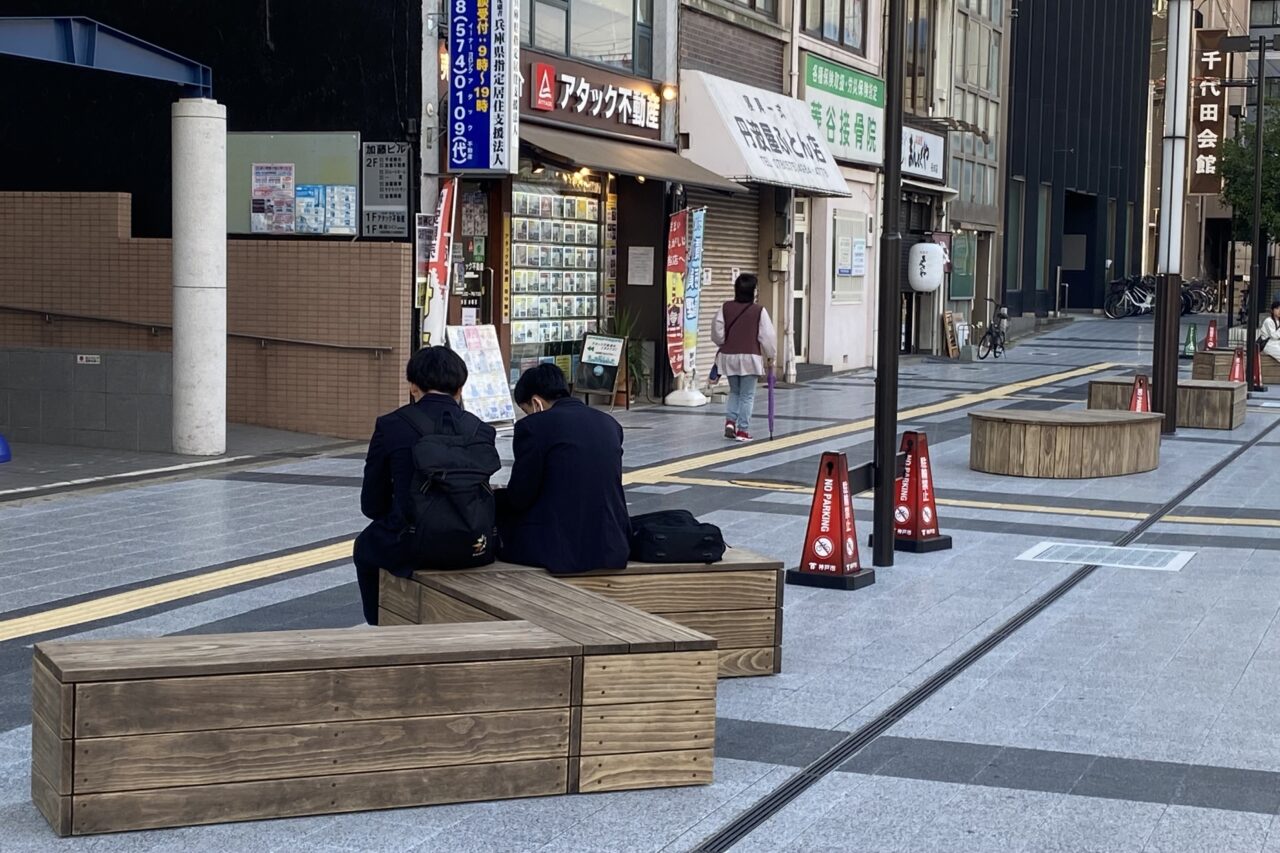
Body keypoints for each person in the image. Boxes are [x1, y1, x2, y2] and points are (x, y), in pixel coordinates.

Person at [353, 347, 498, 625]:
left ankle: (378, 621)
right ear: (460, 387)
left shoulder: (391, 425)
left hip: (411, 546)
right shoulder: (481, 430)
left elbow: (372, 504)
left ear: (412, 385)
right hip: (475, 545)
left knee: (365, 547)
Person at [497, 364, 629, 574]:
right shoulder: (609, 424)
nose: (527, 417)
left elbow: (520, 496)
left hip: (560, 550)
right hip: (611, 544)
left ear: (536, 402)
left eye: (526, 411)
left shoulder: (534, 427)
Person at [711, 273, 777, 442]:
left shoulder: (725, 308)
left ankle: (730, 422)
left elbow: (717, 334)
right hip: (750, 358)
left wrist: (726, 343)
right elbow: (767, 336)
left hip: (729, 357)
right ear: (752, 291)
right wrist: (771, 356)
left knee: (735, 391)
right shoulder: (759, 311)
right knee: (747, 395)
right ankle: (743, 430)